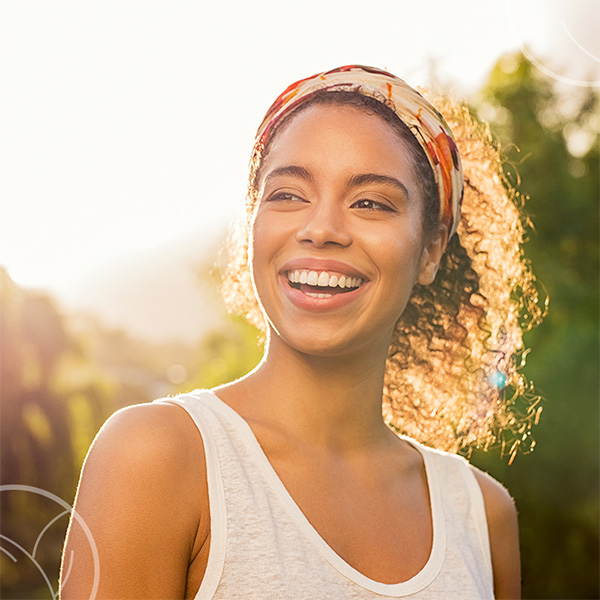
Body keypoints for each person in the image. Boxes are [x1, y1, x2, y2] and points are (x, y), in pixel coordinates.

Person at [61, 65, 543, 599]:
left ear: (430, 249)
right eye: (288, 194)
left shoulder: (482, 514)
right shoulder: (156, 458)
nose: (321, 229)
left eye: (371, 203)